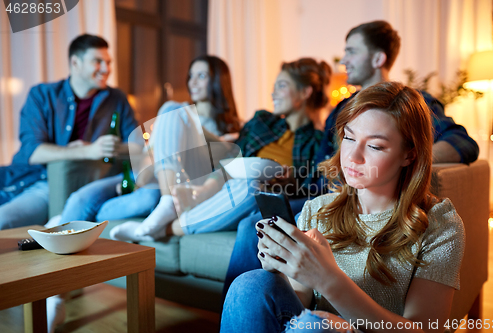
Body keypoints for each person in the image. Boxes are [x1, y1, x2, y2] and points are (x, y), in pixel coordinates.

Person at [220, 20, 479, 304]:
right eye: (350, 138)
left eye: (351, 51)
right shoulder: (344, 107)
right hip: (321, 197)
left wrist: (403, 162)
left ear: (378, 58)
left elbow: (463, 142)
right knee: (254, 275)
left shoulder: (410, 104)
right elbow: (325, 164)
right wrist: (295, 181)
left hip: (356, 195)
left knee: (249, 225)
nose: (343, 61)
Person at [221, 81, 465, 333]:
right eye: (349, 137)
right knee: (251, 284)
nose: (352, 156)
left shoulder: (439, 224)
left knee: (313, 326)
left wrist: (329, 282)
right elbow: (301, 299)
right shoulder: (317, 210)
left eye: (374, 146)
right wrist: (285, 266)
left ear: (409, 154)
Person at [110, 57, 331, 242]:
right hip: (221, 179)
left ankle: (161, 230)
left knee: (252, 188)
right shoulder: (263, 122)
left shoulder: (317, 142)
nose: (273, 92)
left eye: (282, 86)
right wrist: (208, 185)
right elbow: (233, 157)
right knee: (172, 109)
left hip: (251, 191)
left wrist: (290, 180)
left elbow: (309, 187)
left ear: (305, 93)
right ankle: (168, 201)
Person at [54, 55, 241, 232]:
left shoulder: (234, 131)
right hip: (142, 175)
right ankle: (61, 224)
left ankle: (71, 221)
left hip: (166, 182)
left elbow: (226, 163)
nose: (192, 82)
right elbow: (144, 167)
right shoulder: (179, 115)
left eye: (201, 76)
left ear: (218, 81)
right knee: (80, 199)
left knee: (147, 199)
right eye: (190, 75)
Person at [0, 34, 137, 232]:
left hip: (56, 187)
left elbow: (136, 146)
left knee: (3, 220)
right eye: (98, 61)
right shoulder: (42, 95)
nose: (107, 69)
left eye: (108, 62)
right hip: (26, 177)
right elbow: (32, 151)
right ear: (75, 62)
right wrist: (88, 151)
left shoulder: (116, 99)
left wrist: (113, 149)